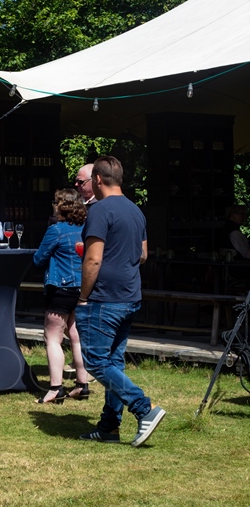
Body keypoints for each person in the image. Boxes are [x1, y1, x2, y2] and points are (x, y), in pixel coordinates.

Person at [75, 156, 166, 447]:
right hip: (130, 295)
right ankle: (109, 427)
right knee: (113, 361)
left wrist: (83, 297)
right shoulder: (136, 211)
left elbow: (93, 259)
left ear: (97, 180)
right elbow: (143, 255)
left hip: (104, 298)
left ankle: (143, 408)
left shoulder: (100, 211)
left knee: (95, 361)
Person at [33, 188, 91, 403]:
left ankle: (56, 388)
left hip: (61, 288)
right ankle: (82, 385)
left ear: (61, 206)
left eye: (55, 203)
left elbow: (38, 259)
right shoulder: (87, 228)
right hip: (83, 288)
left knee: (53, 337)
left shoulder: (56, 230)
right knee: (76, 335)